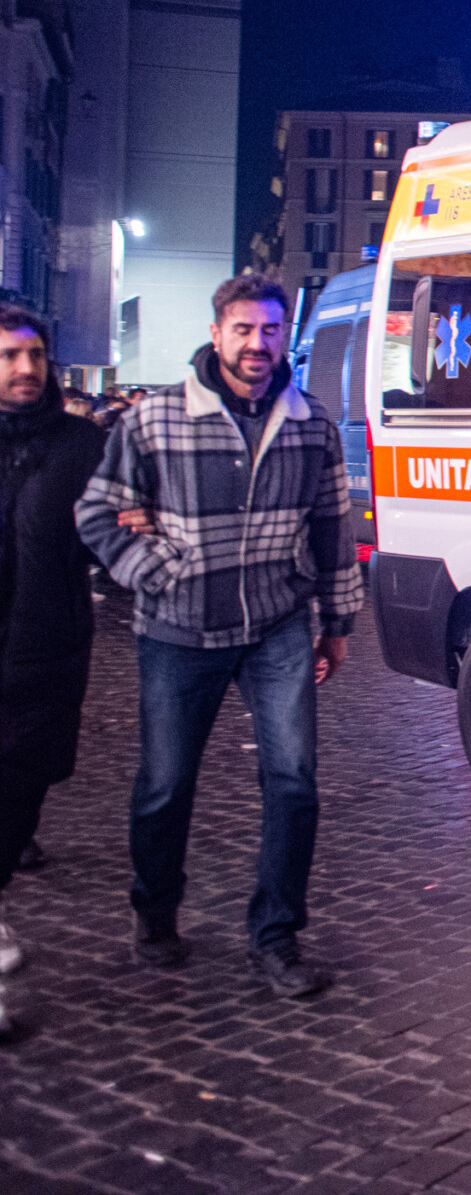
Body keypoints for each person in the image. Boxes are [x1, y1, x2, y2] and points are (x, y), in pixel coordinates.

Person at [76, 273, 365, 999]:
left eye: (270, 330)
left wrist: (338, 624)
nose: (258, 344)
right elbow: (98, 511)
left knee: (294, 784)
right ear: (217, 335)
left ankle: (276, 935)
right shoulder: (157, 420)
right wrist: (154, 570)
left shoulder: (310, 422)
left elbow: (332, 529)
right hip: (178, 627)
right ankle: (155, 911)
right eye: (243, 329)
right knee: (166, 785)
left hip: (277, 626)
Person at [0, 309, 110, 1042]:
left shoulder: (86, 444)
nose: (25, 368)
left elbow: (115, 529)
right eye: (9, 355)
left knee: (20, 798)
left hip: (47, 652)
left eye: (35, 353)